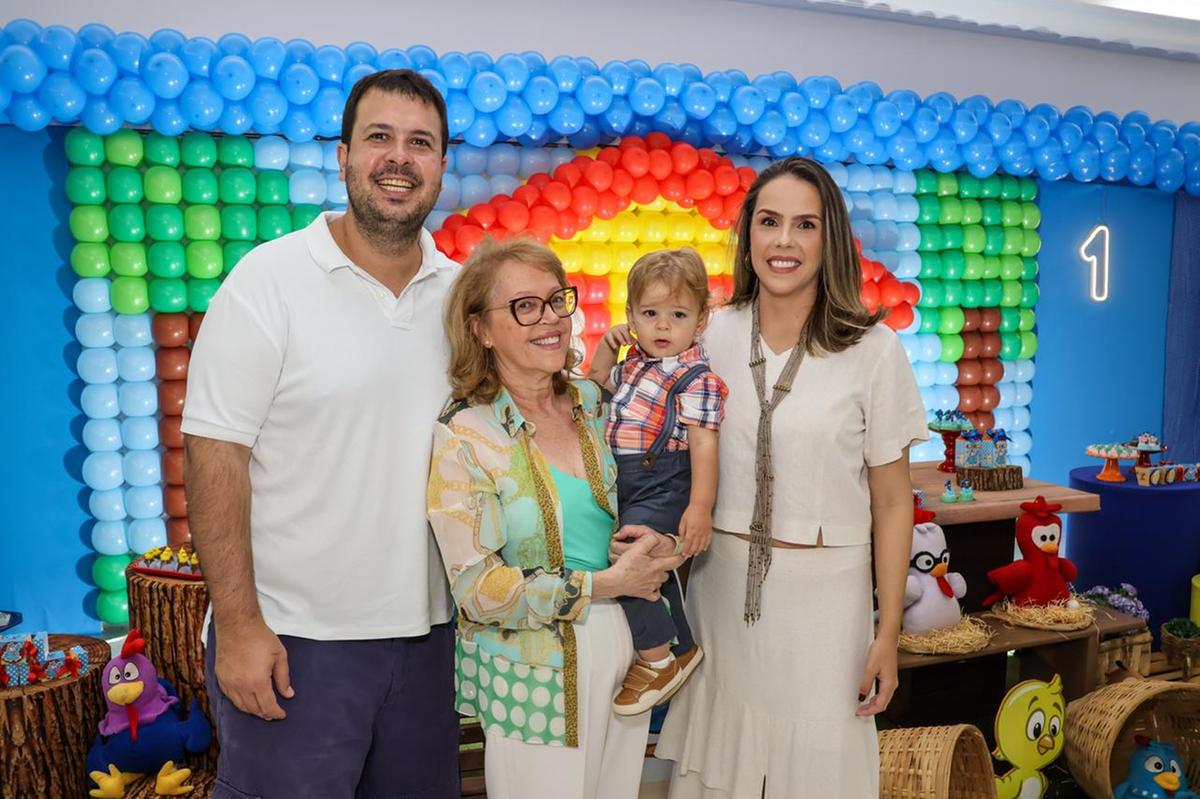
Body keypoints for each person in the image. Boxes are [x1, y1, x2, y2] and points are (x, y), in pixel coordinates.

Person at [182, 70, 460, 798]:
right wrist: (238, 624)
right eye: (379, 138)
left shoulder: (467, 297)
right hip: (293, 642)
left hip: (432, 641)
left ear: (442, 164)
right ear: (342, 156)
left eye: (420, 143)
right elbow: (214, 454)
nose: (399, 158)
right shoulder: (266, 282)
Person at [653, 157, 928, 797]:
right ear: (747, 234)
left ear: (828, 239)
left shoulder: (873, 349)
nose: (784, 242)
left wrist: (887, 633)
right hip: (719, 595)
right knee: (713, 773)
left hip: (826, 615)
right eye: (769, 222)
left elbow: (892, 505)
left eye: (804, 225)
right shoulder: (708, 333)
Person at [428, 237, 684, 799]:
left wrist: (666, 542)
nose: (549, 320)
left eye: (555, 301)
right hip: (532, 673)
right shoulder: (466, 435)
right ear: (481, 329)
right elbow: (477, 588)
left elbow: (660, 489)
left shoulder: (598, 406)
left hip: (632, 656)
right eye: (524, 306)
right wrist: (601, 585)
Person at [587, 248, 727, 716]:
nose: (662, 327)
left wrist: (699, 507)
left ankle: (655, 657)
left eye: (677, 315)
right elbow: (593, 390)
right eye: (650, 314)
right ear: (630, 316)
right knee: (643, 564)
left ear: (701, 320)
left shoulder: (696, 379)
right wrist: (607, 349)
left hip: (666, 484)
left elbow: (705, 446)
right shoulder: (632, 364)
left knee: (631, 556)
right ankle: (682, 644)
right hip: (625, 483)